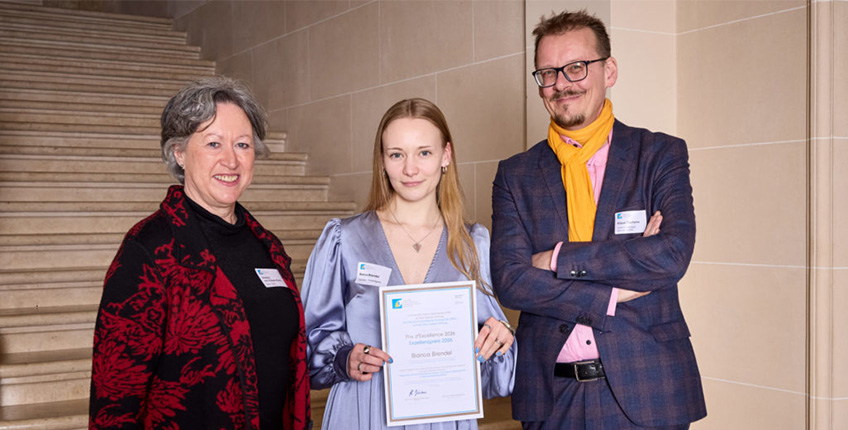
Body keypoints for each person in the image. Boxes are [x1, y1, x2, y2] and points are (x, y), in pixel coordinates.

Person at [490, 10, 707, 430]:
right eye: (548, 73)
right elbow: (511, 280)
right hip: (552, 397)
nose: (561, 84)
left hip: (648, 390)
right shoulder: (516, 174)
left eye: (576, 67)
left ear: (609, 71)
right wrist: (614, 291)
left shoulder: (659, 155)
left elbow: (671, 254)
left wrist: (556, 259)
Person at [89, 77, 311, 430]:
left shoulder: (267, 246)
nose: (231, 160)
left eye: (242, 144)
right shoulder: (149, 250)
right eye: (213, 143)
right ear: (179, 153)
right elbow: (114, 403)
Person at [302, 98, 516, 429]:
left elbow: (498, 374)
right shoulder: (344, 240)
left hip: (444, 416)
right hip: (364, 410)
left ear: (446, 155)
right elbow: (308, 343)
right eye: (397, 154)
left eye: (424, 153)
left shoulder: (472, 243)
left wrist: (500, 338)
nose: (410, 169)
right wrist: (344, 358)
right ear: (382, 161)